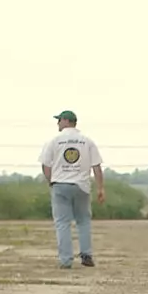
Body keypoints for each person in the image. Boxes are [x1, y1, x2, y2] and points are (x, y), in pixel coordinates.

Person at [39, 110, 106, 268]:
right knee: (83, 221)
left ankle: (65, 260)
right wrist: (100, 188)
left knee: (62, 223)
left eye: (59, 120)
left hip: (60, 184)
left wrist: (51, 181)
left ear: (66, 121)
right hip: (81, 185)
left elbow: (45, 165)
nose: (58, 124)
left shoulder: (54, 141)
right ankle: (86, 254)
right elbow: (96, 166)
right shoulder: (87, 141)